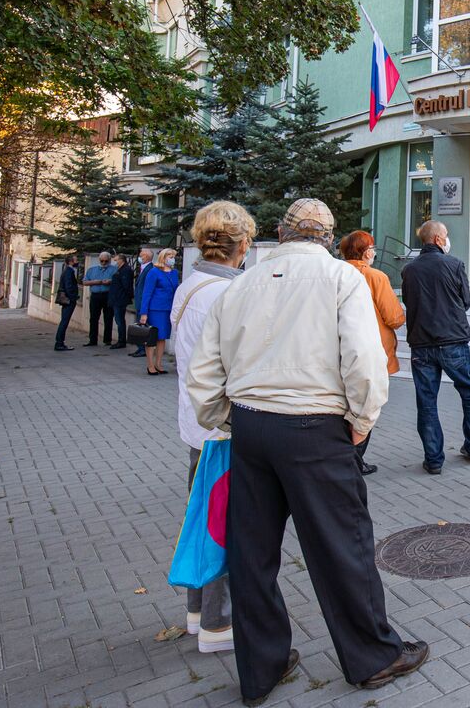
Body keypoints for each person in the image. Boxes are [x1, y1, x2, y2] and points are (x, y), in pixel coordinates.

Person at [187, 198, 428, 702]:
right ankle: (372, 656)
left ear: (281, 232)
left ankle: (261, 668)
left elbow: (205, 368)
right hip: (316, 427)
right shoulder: (343, 279)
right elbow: (363, 359)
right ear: (327, 235)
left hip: (251, 428)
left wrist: (223, 418)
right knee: (342, 546)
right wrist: (362, 421)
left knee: (252, 554)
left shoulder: (241, 284)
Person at [172, 201, 256, 653]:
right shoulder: (228, 294)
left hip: (196, 426)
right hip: (224, 430)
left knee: (202, 518)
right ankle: (219, 625)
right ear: (242, 244)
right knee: (225, 524)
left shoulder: (191, 285)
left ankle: (196, 612)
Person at [400, 220, 470, 475]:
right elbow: (465, 301)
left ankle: (434, 459)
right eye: (445, 235)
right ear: (437, 239)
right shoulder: (455, 264)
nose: (447, 239)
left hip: (421, 344)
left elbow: (409, 302)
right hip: (453, 341)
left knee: (426, 401)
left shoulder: (409, 270)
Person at [340, 230, 405, 477]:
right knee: (367, 407)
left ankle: (344, 458)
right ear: (367, 252)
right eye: (373, 248)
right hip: (372, 352)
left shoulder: (335, 273)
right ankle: (355, 461)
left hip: (339, 351)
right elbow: (394, 317)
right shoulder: (376, 277)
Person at [138, 248, 180, 376]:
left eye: (173, 256)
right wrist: (143, 313)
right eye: (170, 256)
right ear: (163, 257)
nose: (172, 258)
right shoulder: (154, 272)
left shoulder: (174, 272)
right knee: (152, 338)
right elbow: (147, 293)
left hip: (168, 309)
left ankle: (159, 364)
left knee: (162, 338)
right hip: (155, 309)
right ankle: (150, 365)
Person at [82, 251, 115, 347]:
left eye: (106, 261)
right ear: (99, 260)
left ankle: (107, 340)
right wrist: (94, 282)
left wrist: (110, 281)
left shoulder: (114, 269)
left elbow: (118, 281)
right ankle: (92, 340)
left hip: (108, 295)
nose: (104, 263)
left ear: (109, 260)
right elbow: (84, 282)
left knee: (108, 318)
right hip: (95, 295)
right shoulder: (92, 270)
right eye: (102, 261)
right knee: (93, 318)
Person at [129, 247, 153, 358]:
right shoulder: (144, 268)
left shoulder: (149, 269)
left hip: (143, 303)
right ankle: (140, 348)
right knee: (139, 325)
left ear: (147, 257)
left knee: (142, 326)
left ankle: (142, 349)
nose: (140, 257)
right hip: (139, 302)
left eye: (141, 255)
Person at [53, 255, 80, 351]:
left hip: (67, 299)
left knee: (64, 320)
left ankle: (60, 342)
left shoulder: (67, 270)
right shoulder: (69, 271)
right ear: (71, 262)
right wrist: (73, 297)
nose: (78, 261)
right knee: (64, 321)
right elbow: (68, 286)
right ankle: (59, 343)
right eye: (76, 260)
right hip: (68, 300)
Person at [108, 254, 134, 349]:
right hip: (117, 298)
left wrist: (127, 296)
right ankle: (121, 340)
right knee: (118, 320)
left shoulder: (125, 270)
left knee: (120, 320)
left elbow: (126, 285)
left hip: (120, 299)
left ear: (121, 260)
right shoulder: (120, 270)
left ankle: (121, 341)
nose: (115, 262)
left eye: (116, 260)